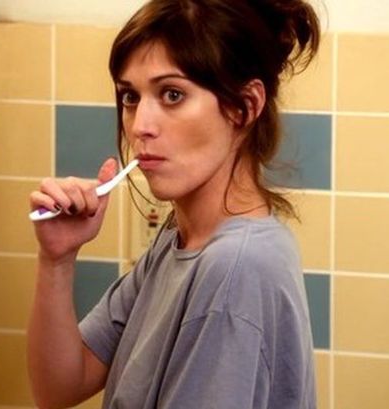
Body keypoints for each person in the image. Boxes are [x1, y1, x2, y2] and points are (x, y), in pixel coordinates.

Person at [27, 0, 321, 407]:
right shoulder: (179, 240)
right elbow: (59, 387)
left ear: (245, 106)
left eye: (172, 94)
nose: (140, 126)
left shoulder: (234, 267)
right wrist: (56, 260)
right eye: (130, 97)